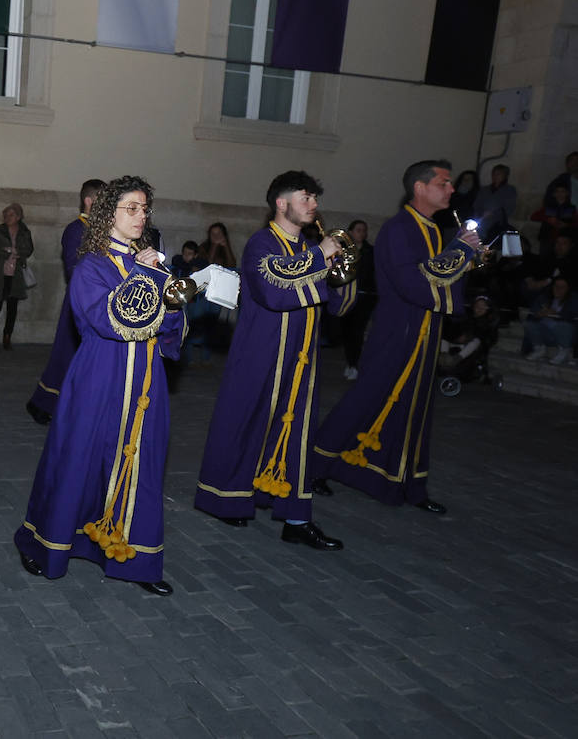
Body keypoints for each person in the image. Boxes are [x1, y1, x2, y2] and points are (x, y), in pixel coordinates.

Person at [14, 176, 186, 595]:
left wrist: (169, 293)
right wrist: (147, 279)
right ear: (108, 214)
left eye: (144, 209)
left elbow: (172, 327)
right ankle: (45, 544)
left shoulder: (151, 264)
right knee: (78, 458)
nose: (140, 216)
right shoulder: (91, 264)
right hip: (99, 375)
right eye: (131, 208)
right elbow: (110, 320)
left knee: (140, 465)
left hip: (146, 380)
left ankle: (137, 559)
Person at [311, 160, 482, 513]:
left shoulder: (435, 230)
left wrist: (467, 258)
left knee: (417, 407)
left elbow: (440, 277)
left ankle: (409, 484)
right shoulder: (398, 229)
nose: (451, 189)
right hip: (397, 330)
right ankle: (314, 467)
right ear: (420, 187)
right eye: (444, 183)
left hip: (426, 334)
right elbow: (415, 281)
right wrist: (461, 252)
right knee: (366, 398)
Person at [194, 170, 352, 550]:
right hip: (261, 356)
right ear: (282, 204)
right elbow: (274, 286)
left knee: (297, 434)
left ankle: (296, 518)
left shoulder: (307, 249)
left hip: (301, 363)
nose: (313, 205)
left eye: (314, 198)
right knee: (246, 425)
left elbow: (338, 307)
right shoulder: (260, 243)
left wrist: (342, 273)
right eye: (305, 197)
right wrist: (320, 256)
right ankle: (227, 499)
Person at [26, 178, 106, 424]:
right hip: (80, 303)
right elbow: (75, 268)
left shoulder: (101, 230)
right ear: (89, 201)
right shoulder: (76, 229)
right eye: (104, 200)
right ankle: (42, 403)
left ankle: (62, 405)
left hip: (97, 303)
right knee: (65, 355)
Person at [0, 203, 33, 349]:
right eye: (6, 215)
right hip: (0, 273)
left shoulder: (24, 231)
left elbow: (28, 249)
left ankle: (7, 337)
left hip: (15, 274)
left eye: (10, 215)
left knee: (12, 308)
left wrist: (13, 251)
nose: (7, 218)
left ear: (18, 216)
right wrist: (11, 251)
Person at [339, 219, 376, 380]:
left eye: (364, 230)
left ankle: (355, 364)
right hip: (347, 297)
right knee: (347, 332)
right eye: (359, 230)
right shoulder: (343, 249)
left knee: (358, 331)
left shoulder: (371, 252)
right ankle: (350, 362)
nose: (362, 233)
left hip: (364, 297)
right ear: (351, 232)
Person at [522, 276, 577, 364]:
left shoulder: (573, 299)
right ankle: (539, 348)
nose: (558, 289)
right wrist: (539, 313)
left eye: (562, 287)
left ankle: (564, 350)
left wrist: (555, 314)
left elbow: (572, 315)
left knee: (564, 325)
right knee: (528, 324)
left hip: (563, 333)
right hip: (546, 333)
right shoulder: (545, 296)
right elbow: (533, 311)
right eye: (556, 286)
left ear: (568, 289)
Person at [472, 164, 516, 241]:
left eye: (499, 174)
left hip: (497, 225)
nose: (495, 176)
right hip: (481, 222)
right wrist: (481, 214)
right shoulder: (484, 190)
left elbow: (509, 208)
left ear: (505, 176)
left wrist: (493, 213)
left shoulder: (509, 190)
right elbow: (477, 204)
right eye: (494, 174)